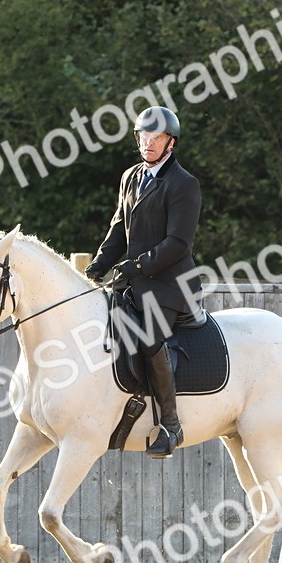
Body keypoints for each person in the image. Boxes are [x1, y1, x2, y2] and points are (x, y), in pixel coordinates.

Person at [85, 106, 203, 459]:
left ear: (171, 143)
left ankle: (170, 425)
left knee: (150, 337)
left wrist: (137, 265)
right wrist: (97, 265)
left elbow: (178, 242)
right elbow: (119, 228)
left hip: (171, 284)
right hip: (134, 281)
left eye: (156, 138)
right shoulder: (130, 177)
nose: (147, 144)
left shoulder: (184, 184)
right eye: (143, 137)